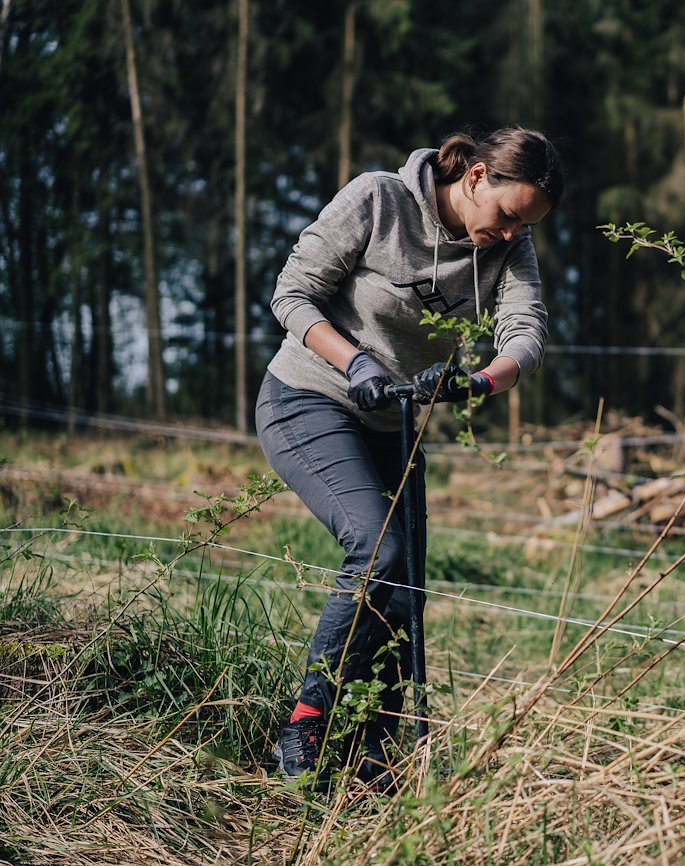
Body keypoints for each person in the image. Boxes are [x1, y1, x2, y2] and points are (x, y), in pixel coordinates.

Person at [255, 127, 563, 787]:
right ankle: (304, 727)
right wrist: (355, 358)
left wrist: (480, 380)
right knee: (377, 554)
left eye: (527, 225)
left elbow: (526, 332)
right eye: (510, 216)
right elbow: (290, 293)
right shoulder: (378, 200)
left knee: (403, 596)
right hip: (307, 396)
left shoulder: (509, 247)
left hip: (392, 424)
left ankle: (371, 758)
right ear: (477, 177)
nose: (513, 234)